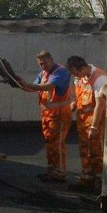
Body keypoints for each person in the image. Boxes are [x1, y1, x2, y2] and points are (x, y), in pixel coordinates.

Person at [16, 50, 72, 183]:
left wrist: (27, 84)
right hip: (48, 115)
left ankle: (60, 172)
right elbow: (34, 87)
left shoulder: (61, 71)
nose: (43, 66)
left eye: (45, 63)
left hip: (59, 114)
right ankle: (52, 170)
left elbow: (47, 86)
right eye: (41, 64)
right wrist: (19, 84)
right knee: (50, 144)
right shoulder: (44, 73)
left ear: (51, 59)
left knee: (57, 144)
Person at [66, 55, 107, 194]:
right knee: (85, 151)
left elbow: (100, 105)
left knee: (96, 151)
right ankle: (87, 179)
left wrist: (94, 127)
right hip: (82, 120)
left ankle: (100, 183)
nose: (75, 76)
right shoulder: (79, 77)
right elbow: (77, 94)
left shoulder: (99, 78)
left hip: (95, 120)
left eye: (77, 73)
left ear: (83, 67)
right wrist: (74, 103)